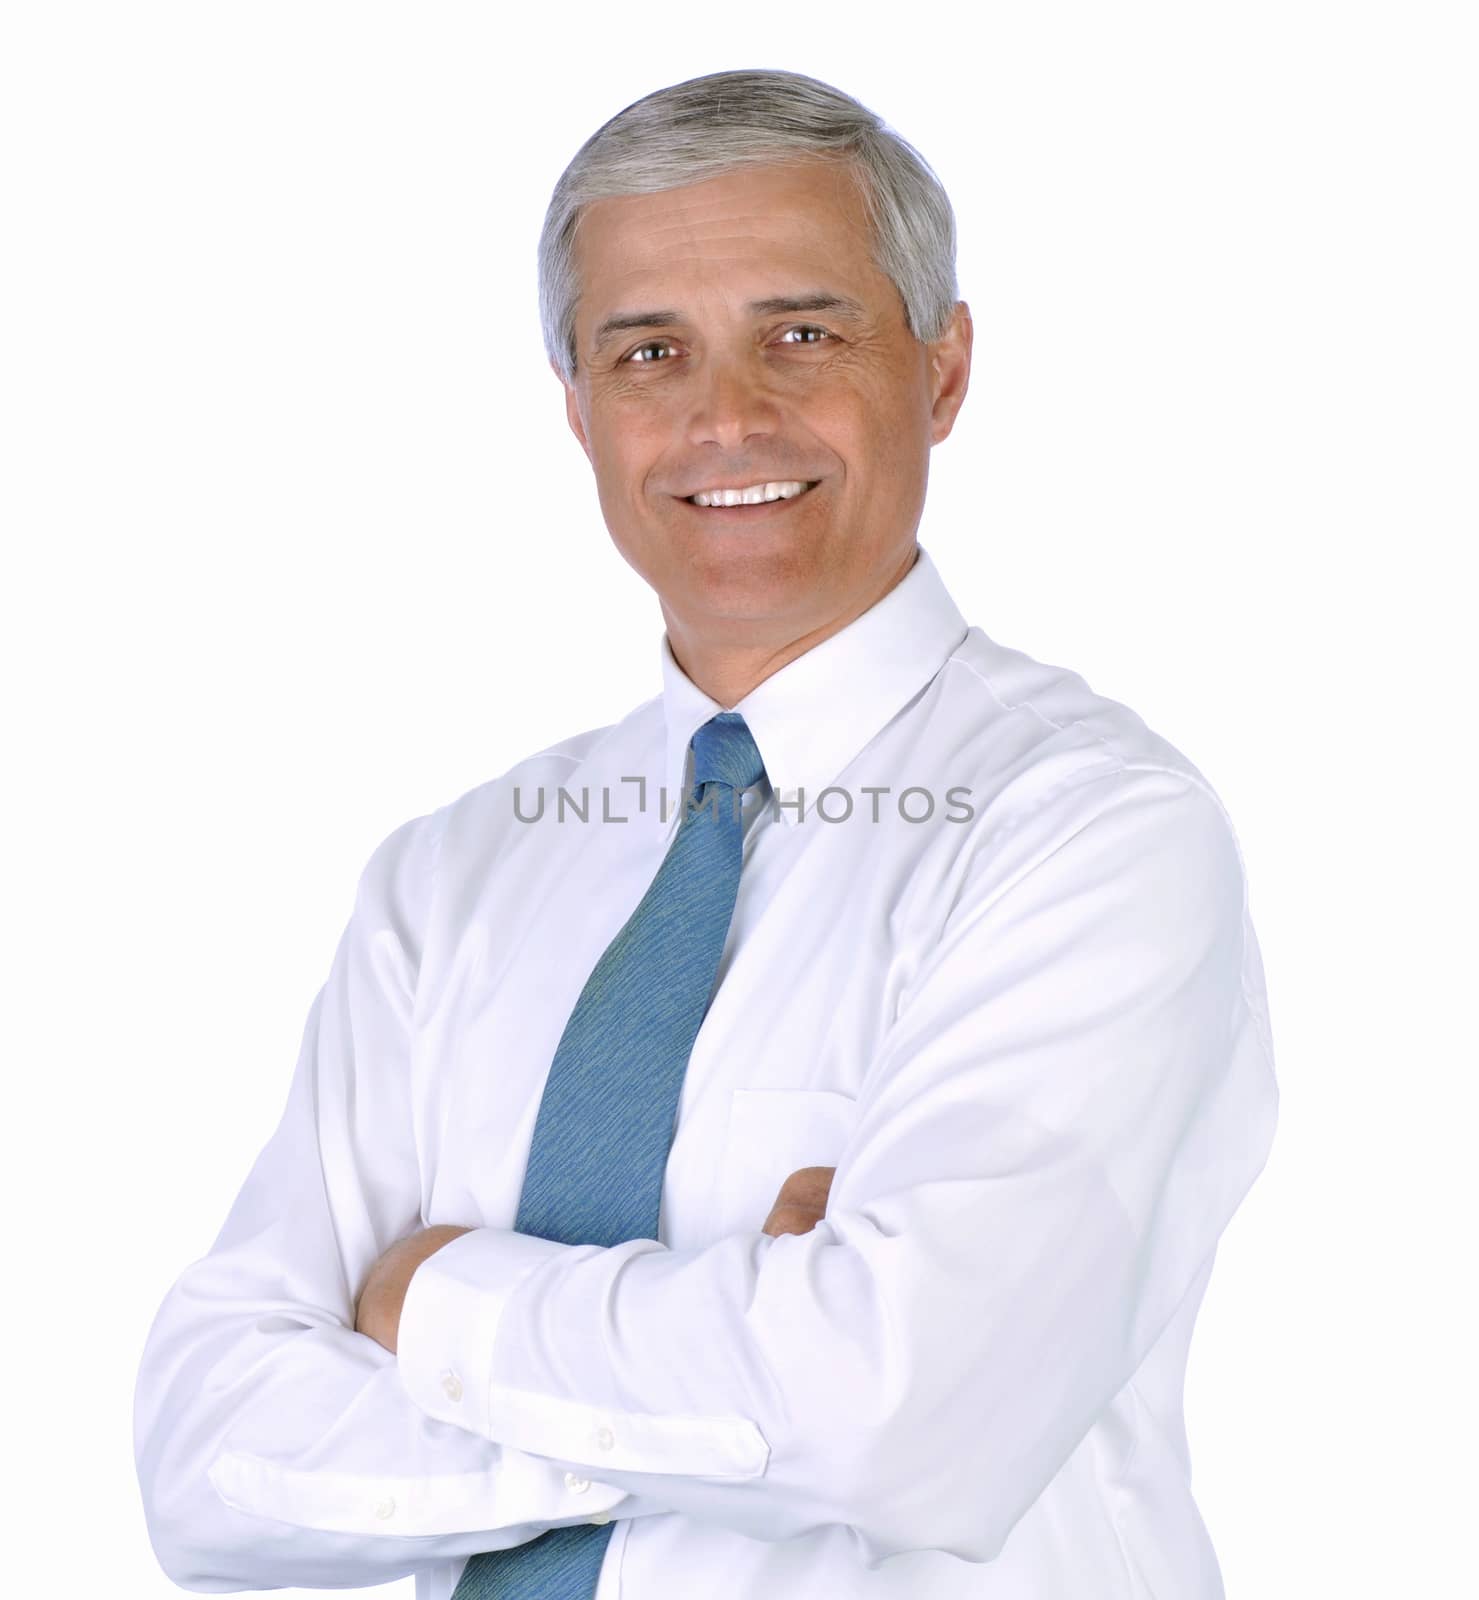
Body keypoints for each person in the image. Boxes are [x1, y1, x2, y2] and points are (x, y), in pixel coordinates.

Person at [133, 66, 1278, 1600]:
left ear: (940, 374)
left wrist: (433, 1303)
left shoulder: (1093, 837)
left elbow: (904, 1421)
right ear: (579, 411)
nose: (726, 416)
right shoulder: (451, 879)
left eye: (802, 334)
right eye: (648, 351)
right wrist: (753, 1356)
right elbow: (209, 1462)